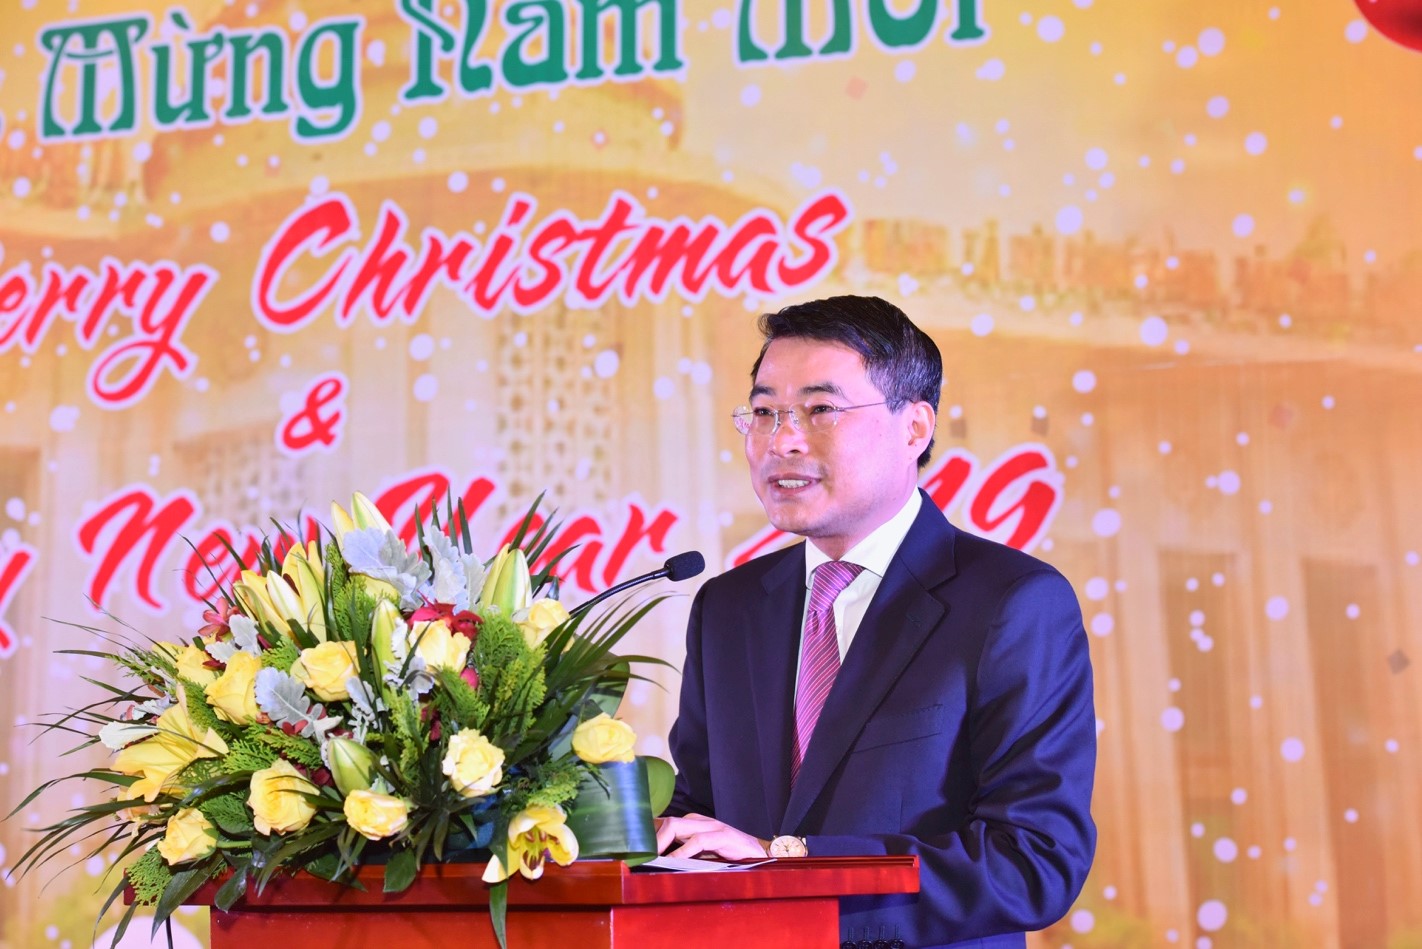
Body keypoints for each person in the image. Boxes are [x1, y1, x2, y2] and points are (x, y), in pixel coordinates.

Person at [656, 295, 1096, 947]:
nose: (781, 440)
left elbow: (1033, 862)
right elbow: (699, 814)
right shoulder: (728, 607)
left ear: (914, 428)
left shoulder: (1012, 603)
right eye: (765, 411)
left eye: (820, 410)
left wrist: (787, 861)